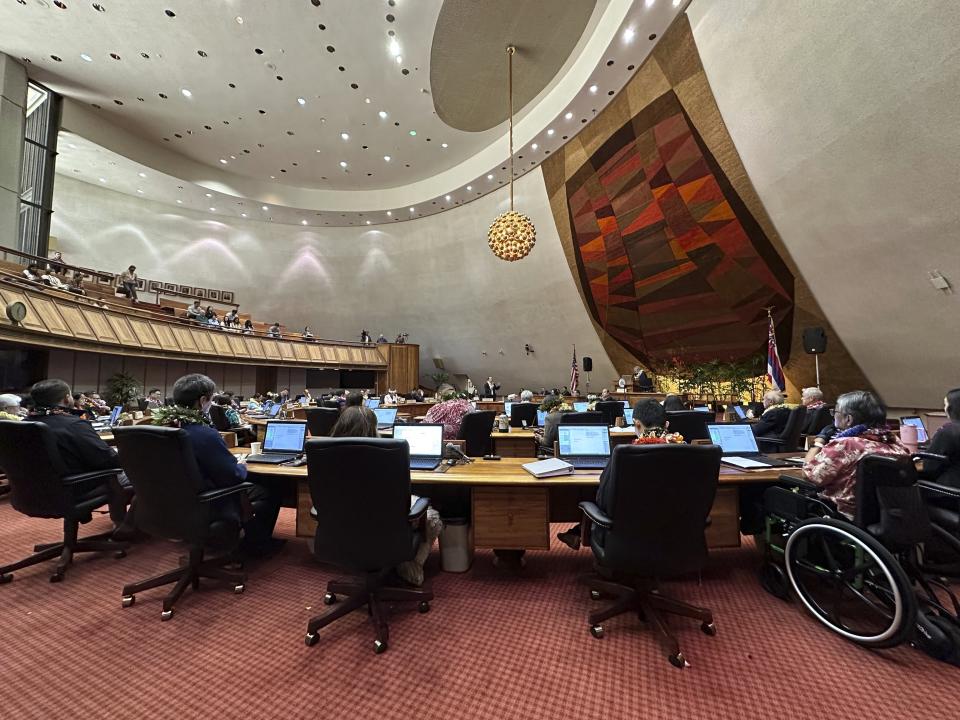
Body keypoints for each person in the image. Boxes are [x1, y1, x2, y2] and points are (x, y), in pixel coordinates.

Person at [164, 374, 282, 556]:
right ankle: (256, 544)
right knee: (271, 489)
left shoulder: (164, 430)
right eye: (211, 398)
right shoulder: (204, 434)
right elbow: (233, 476)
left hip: (173, 502)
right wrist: (241, 464)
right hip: (208, 501)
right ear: (202, 400)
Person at [330, 406, 443, 586]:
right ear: (373, 428)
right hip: (382, 523)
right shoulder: (385, 455)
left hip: (340, 526)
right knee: (432, 517)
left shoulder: (324, 454)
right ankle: (410, 566)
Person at [557, 399, 683, 549]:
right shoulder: (689, 453)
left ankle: (578, 532)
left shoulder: (624, 454)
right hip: (676, 535)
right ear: (667, 425)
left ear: (636, 424)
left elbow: (602, 499)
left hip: (627, 537)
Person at [27, 379, 132, 530]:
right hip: (73, 487)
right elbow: (108, 460)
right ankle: (125, 526)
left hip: (32, 490)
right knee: (139, 475)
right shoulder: (72, 424)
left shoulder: (23, 423)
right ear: (66, 398)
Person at [802, 390, 908, 517]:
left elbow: (809, 475)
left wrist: (819, 442)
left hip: (844, 513)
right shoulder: (893, 440)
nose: (833, 416)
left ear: (848, 419)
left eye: (835, 412)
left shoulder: (847, 444)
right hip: (885, 513)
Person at [925, 387, 960, 488]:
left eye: (945, 405)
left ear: (952, 408)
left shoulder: (947, 432)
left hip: (950, 493)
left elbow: (928, 467)